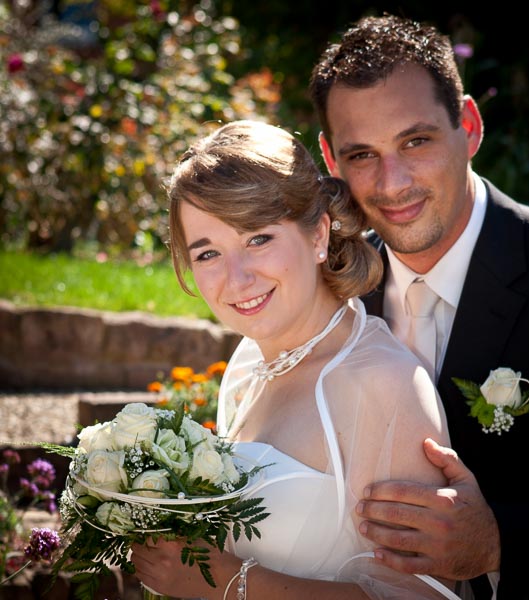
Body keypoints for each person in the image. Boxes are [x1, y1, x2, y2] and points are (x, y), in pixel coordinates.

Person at [309, 14, 529, 599]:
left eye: (415, 142)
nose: (392, 184)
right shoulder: (329, 293)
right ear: (331, 159)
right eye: (362, 154)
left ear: (468, 126)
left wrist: (500, 544)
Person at [130, 120, 465, 599]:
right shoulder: (248, 366)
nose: (237, 278)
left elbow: (422, 595)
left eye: (258, 239)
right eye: (207, 254)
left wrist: (223, 581)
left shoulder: (384, 384)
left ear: (317, 236)